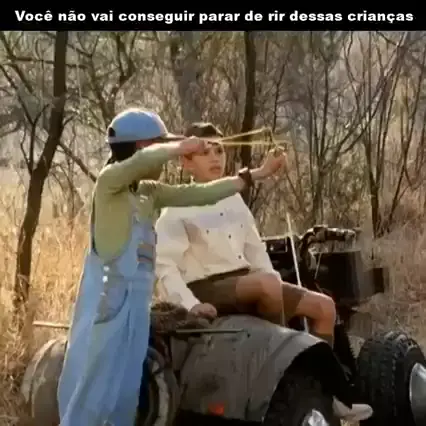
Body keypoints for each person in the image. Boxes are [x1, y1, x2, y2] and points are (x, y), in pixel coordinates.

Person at [57, 109, 286, 426]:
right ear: (142, 147)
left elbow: (202, 193)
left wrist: (255, 174)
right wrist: (180, 146)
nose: (165, 158)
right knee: (94, 384)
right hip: (107, 305)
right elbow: (138, 163)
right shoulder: (109, 184)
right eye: (159, 146)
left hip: (136, 308)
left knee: (126, 390)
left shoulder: (149, 193)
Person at [155, 121, 373, 422]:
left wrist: (277, 286)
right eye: (206, 152)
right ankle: (283, 373)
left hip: (249, 281)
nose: (216, 158)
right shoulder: (176, 208)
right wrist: (191, 305)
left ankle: (325, 390)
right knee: (266, 285)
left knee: (324, 307)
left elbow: (256, 251)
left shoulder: (233, 199)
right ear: (186, 162)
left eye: (220, 150)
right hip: (206, 287)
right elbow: (164, 266)